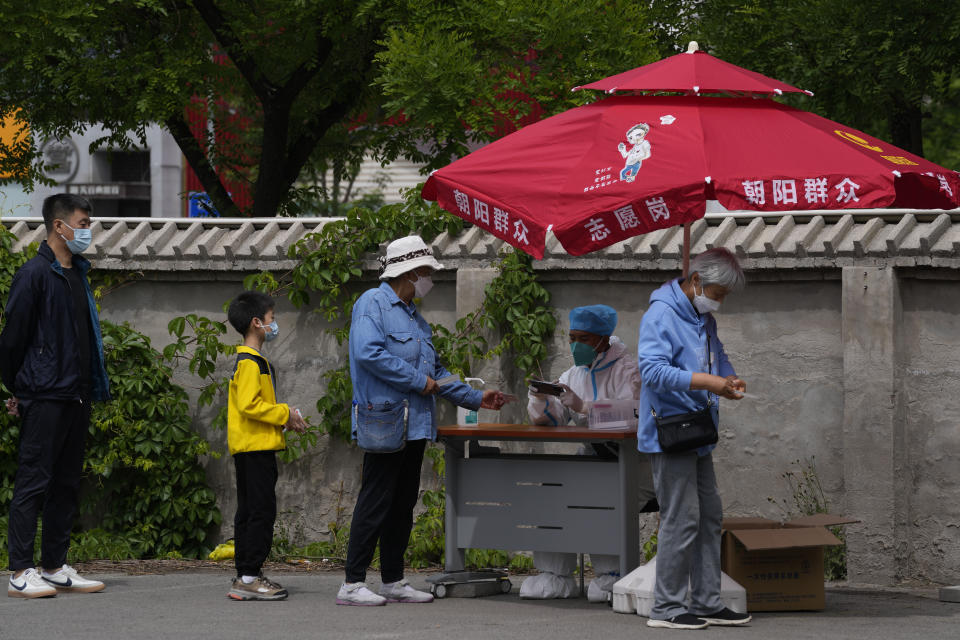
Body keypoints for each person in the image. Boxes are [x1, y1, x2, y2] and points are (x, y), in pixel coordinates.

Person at [337, 235, 508, 606]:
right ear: (411, 272)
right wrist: (419, 381)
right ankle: (351, 583)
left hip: (414, 426)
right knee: (376, 501)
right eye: (427, 272)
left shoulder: (415, 317)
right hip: (384, 421)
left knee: (402, 504)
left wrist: (476, 397)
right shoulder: (372, 304)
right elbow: (368, 354)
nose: (430, 278)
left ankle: (393, 580)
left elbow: (437, 371)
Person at [0, 194, 110, 598]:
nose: (87, 230)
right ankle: (19, 571)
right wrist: (22, 388)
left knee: (65, 484)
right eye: (82, 222)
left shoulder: (77, 274)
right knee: (33, 481)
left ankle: (53, 565)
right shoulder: (33, 275)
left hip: (77, 393)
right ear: (58, 226)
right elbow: (12, 340)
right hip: (44, 394)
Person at [636, 248, 752, 630]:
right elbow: (652, 371)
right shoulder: (662, 314)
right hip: (671, 432)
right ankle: (667, 608)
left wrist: (729, 376)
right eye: (717, 293)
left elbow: (716, 354)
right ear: (697, 281)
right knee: (681, 519)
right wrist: (709, 383)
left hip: (698, 429)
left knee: (708, 517)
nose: (718, 302)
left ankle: (706, 600)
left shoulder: (701, 317)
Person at [522, 304, 656, 603]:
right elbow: (553, 419)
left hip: (635, 465)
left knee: (604, 500)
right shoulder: (573, 374)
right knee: (552, 494)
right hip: (591, 462)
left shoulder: (628, 371)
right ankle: (555, 575)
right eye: (571, 338)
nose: (575, 345)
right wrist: (542, 398)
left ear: (602, 339)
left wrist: (585, 408)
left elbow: (634, 416)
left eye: (582, 338)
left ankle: (613, 575)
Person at [224, 291, 307, 601]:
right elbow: (249, 405)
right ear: (257, 323)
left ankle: (246, 573)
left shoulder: (251, 360)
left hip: (250, 446)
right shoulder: (251, 362)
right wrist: (285, 412)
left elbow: (252, 406)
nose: (275, 324)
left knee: (249, 511)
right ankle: (249, 576)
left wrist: (282, 419)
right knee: (260, 511)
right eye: (271, 319)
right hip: (255, 448)